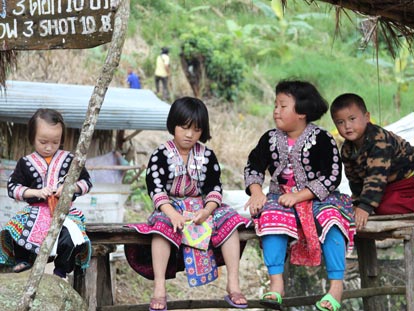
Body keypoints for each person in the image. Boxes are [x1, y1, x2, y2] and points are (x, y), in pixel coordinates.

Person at [124, 96, 251, 311]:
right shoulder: (160, 154)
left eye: (196, 129)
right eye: (184, 128)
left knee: (231, 220)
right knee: (161, 227)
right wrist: (172, 213)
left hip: (202, 207)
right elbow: (155, 188)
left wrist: (207, 210)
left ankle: (233, 284)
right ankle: (159, 288)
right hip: (168, 206)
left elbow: (214, 188)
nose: (190, 134)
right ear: (173, 125)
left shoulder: (207, 155)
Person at [244, 80, 355, 311]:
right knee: (271, 216)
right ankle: (276, 284)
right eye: (275, 105)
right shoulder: (269, 139)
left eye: (283, 106)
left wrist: (299, 196)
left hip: (320, 198)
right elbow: (253, 166)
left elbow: (332, 176)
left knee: (331, 219)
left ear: (302, 112)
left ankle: (336, 287)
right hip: (280, 197)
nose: (276, 110)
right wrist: (256, 192)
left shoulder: (323, 139)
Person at [0, 108, 93, 279]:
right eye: (43, 142)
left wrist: (69, 188)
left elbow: (87, 182)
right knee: (15, 226)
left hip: (64, 211)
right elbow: (12, 188)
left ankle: (62, 269)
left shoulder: (70, 159)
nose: (49, 147)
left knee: (71, 237)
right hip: (35, 210)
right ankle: (24, 260)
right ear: (32, 138)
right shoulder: (25, 163)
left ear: (61, 139)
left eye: (55, 142)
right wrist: (36, 192)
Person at [330, 93, 414, 231]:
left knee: (378, 206)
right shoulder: (346, 149)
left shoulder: (379, 140)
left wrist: (365, 206)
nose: (347, 126)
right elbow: (355, 180)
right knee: (379, 206)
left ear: (367, 117)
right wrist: (357, 203)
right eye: (340, 122)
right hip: (389, 185)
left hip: (408, 179)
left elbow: (376, 177)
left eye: (352, 119)